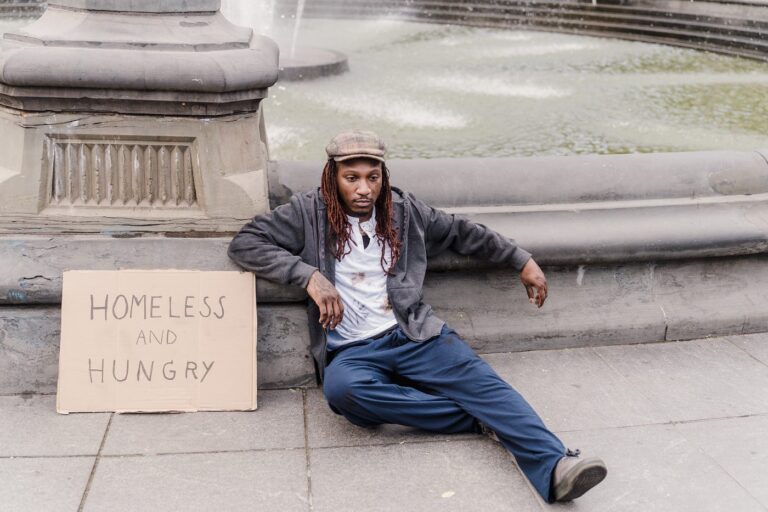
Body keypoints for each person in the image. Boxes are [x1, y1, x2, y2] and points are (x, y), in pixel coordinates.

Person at [228, 129, 607, 503]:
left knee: (486, 385)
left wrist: (519, 259)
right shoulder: (306, 212)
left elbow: (462, 232)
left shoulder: (404, 211)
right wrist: (309, 276)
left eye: (372, 178)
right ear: (332, 177)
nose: (364, 189)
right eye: (352, 178)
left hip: (413, 333)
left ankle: (556, 466)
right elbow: (245, 243)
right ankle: (479, 418)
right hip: (352, 349)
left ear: (383, 177)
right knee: (344, 392)